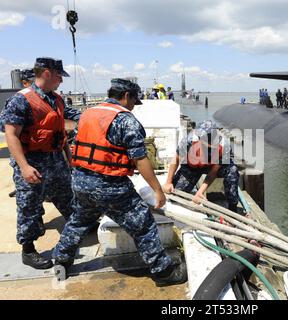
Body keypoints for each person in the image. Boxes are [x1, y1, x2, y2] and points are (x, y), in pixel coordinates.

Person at [52, 78, 187, 286]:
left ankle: (61, 259)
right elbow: (141, 160)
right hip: (109, 186)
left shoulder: (88, 114)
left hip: (80, 181)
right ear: (126, 96)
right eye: (134, 101)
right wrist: (158, 191)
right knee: (143, 224)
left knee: (79, 221)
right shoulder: (126, 120)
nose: (134, 106)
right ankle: (164, 272)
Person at [0, 57, 81, 269]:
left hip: (56, 159)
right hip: (32, 161)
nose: (61, 81)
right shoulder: (21, 100)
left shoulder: (56, 99)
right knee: (29, 206)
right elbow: (11, 135)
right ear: (46, 73)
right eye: (58, 76)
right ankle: (28, 250)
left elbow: (66, 124)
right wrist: (24, 167)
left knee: (67, 196)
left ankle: (77, 227)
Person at [163, 120, 241, 215]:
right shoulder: (189, 140)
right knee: (175, 193)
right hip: (193, 167)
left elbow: (213, 173)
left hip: (212, 167)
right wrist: (168, 182)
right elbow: (176, 159)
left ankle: (232, 208)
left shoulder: (224, 145)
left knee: (232, 170)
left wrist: (200, 192)